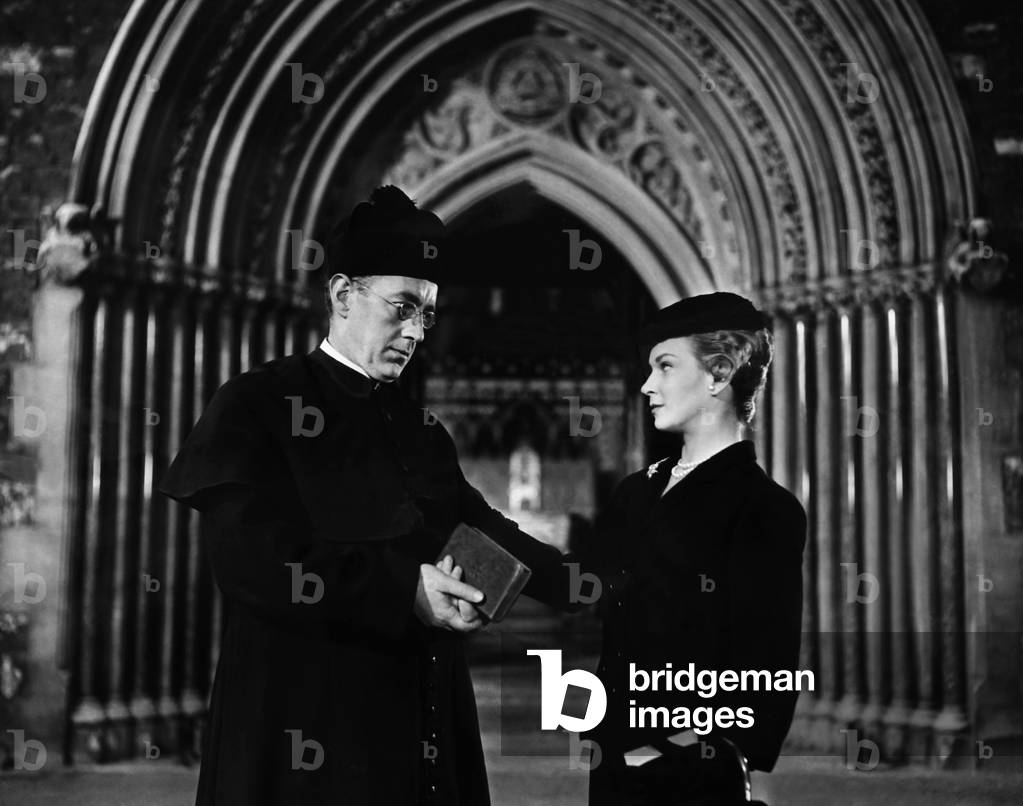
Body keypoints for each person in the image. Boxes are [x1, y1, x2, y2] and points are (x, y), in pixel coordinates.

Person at [159, 186, 577, 805]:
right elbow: (252, 562)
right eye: (402, 306)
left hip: (420, 721)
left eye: (427, 314)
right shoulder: (256, 404)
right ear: (342, 295)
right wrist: (403, 589)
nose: (416, 331)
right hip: (303, 726)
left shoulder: (422, 430)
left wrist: (604, 584)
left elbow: (483, 530)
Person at [587, 292, 807, 805]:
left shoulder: (764, 508)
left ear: (719, 374)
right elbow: (582, 584)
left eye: (665, 366)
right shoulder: (635, 491)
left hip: (692, 774)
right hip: (613, 758)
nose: (647, 385)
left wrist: (680, 747)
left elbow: (768, 667)